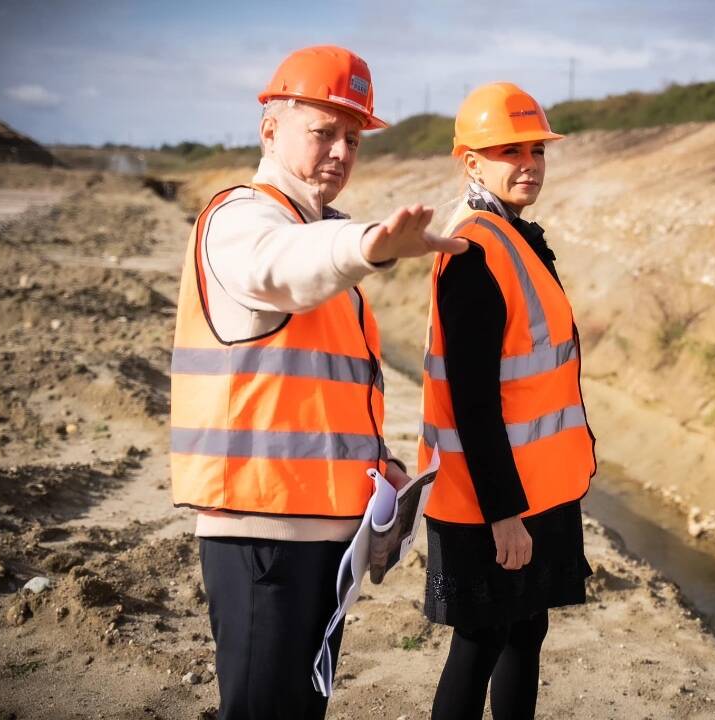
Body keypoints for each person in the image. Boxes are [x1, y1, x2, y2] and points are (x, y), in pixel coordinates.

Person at [169, 45, 466, 720]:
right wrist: (367, 247)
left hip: (325, 541)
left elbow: (315, 390)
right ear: (270, 130)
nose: (340, 151)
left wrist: (378, 465)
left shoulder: (321, 233)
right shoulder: (241, 218)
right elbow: (280, 267)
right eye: (323, 131)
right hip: (260, 538)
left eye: (353, 138)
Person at [417, 82, 597, 720]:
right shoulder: (473, 251)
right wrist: (504, 515)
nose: (529, 164)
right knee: (481, 639)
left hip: (536, 488)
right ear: (471, 162)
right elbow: (472, 400)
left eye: (537, 151)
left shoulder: (515, 236)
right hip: (489, 499)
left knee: (526, 629)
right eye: (508, 151)